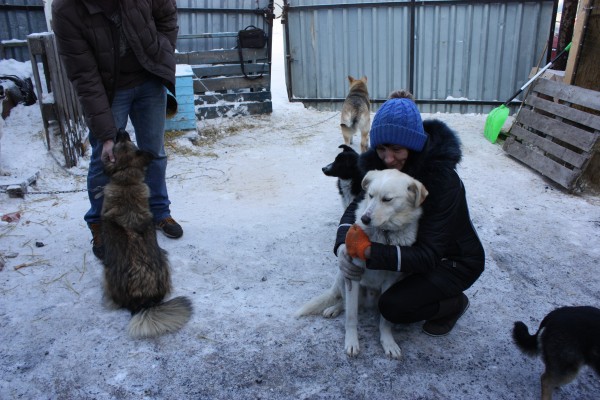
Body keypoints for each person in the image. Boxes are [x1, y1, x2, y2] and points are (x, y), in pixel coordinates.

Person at [334, 90, 485, 336]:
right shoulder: (381, 166)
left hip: (451, 261)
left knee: (394, 306)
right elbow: (358, 206)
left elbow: (428, 255)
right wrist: (343, 244)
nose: (388, 158)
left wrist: (368, 251)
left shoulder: (441, 182)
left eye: (396, 149)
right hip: (417, 251)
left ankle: (452, 304)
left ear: (413, 145)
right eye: (381, 148)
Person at [51, 0, 183, 260]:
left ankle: (158, 211)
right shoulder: (67, 9)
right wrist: (106, 134)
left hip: (148, 79)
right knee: (104, 156)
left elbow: (166, 13)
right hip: (108, 88)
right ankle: (100, 223)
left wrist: (162, 50)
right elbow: (84, 76)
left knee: (154, 151)